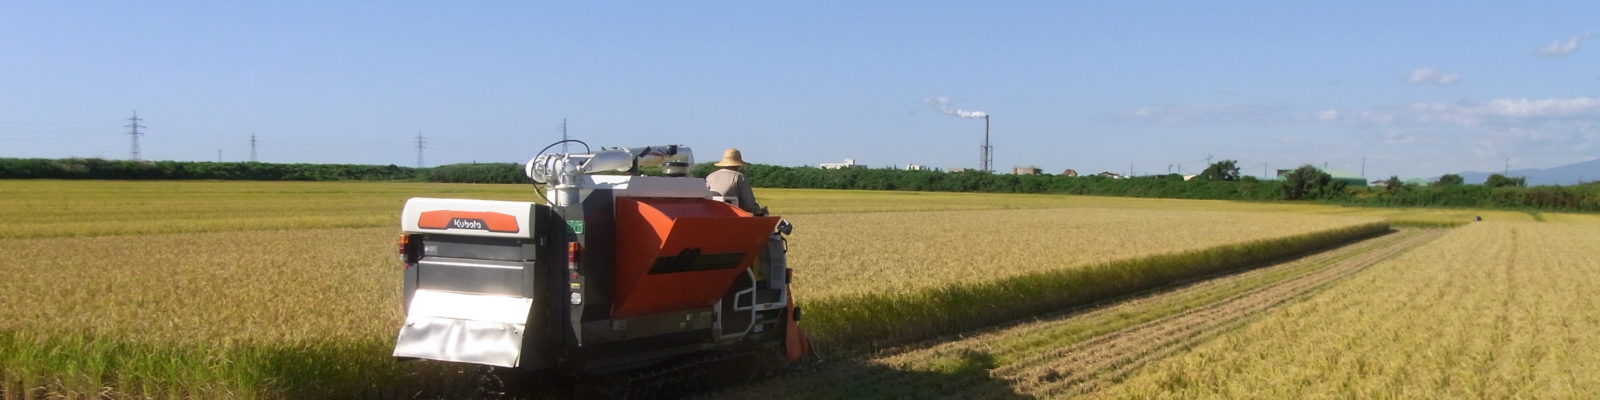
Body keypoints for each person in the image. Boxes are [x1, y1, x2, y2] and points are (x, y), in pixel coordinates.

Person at [706, 148, 766, 215]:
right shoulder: (739, 177)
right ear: (738, 164)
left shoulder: (710, 176)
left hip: (711, 213)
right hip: (731, 214)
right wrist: (760, 211)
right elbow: (749, 205)